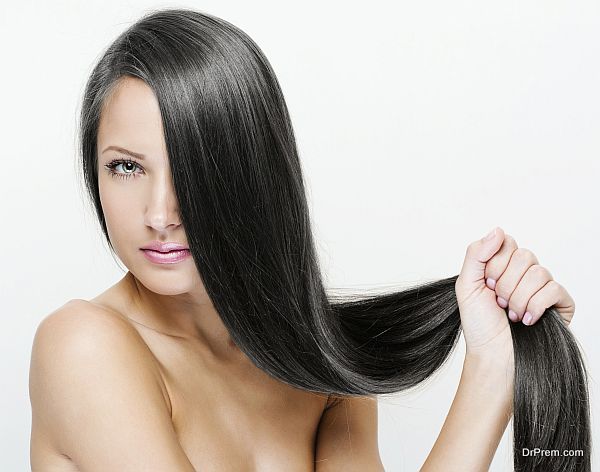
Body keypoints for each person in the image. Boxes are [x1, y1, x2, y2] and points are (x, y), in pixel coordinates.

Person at [28, 8, 590, 472]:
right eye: (126, 167)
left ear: (255, 173)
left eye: (195, 167)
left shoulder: (314, 363)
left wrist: (492, 368)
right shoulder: (84, 346)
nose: (159, 213)